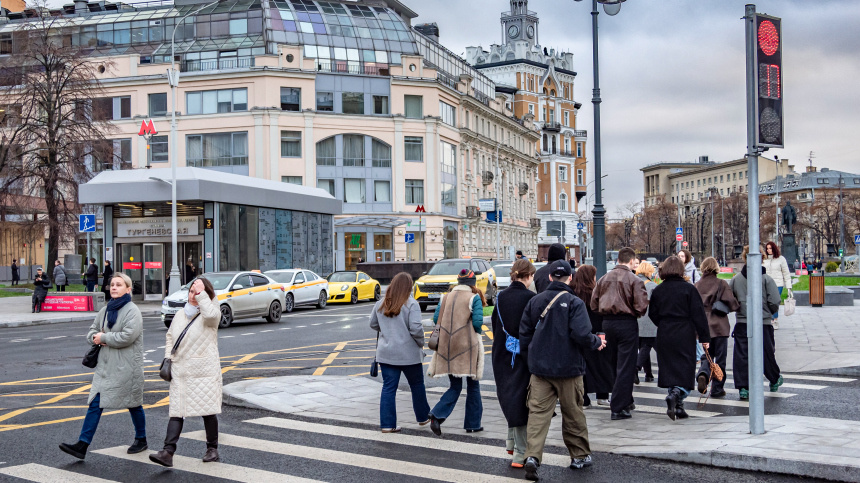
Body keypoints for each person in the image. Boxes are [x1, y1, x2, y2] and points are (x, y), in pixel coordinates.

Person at [520, 260, 606, 479]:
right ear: (570, 278)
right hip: (569, 368)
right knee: (573, 413)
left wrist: (532, 358)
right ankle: (579, 456)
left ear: (549, 277)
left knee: (538, 415)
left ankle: (532, 456)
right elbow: (581, 334)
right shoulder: (575, 302)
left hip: (540, 370)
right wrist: (596, 341)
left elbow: (524, 335)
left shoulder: (535, 301)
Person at [59, 273, 145, 460]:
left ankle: (141, 438)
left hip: (126, 368)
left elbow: (128, 336)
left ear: (128, 289)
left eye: (119, 285)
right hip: (105, 367)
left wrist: (104, 337)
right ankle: (82, 445)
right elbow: (91, 331)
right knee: (95, 403)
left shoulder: (133, 311)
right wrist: (95, 337)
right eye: (112, 284)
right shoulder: (105, 310)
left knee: (133, 403)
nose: (114, 287)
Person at [149, 277, 222, 467]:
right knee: (177, 411)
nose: (192, 295)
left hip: (203, 371)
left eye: (196, 292)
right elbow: (170, 337)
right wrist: (168, 359)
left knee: (208, 411)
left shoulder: (211, 312)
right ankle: (168, 452)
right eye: (191, 291)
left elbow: (212, 317)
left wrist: (202, 295)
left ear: (206, 294)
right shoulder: (181, 314)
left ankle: (212, 449)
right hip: (181, 370)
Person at [648, 256, 711, 420]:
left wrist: (662, 323)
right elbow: (699, 315)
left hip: (665, 331)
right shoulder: (688, 289)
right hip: (684, 331)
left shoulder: (659, 290)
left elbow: (652, 313)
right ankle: (677, 395)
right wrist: (705, 337)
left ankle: (678, 406)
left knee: (670, 368)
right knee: (685, 368)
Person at [590, 247, 649, 420]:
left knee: (613, 363)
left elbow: (594, 304)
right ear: (631, 261)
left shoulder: (603, 279)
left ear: (618, 260)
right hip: (627, 324)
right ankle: (619, 406)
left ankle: (626, 399)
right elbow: (641, 306)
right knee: (626, 365)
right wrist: (635, 312)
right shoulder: (634, 280)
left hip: (607, 323)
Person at [369, 272, 430, 434]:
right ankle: (423, 417)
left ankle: (388, 425)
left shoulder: (381, 303)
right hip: (408, 354)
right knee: (417, 385)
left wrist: (387, 331)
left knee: (389, 388)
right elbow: (416, 329)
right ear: (408, 287)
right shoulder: (411, 304)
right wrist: (421, 343)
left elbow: (372, 324)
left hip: (386, 353)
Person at [427, 269, 485, 435]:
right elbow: (478, 323)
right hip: (467, 346)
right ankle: (473, 424)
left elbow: (435, 317)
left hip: (447, 345)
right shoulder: (474, 298)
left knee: (455, 386)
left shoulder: (446, 297)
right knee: (473, 386)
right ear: (472, 284)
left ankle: (437, 414)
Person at [491, 259, 536, 468]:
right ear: (527, 276)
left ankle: (511, 442)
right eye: (532, 276)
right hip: (522, 355)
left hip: (501, 354)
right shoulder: (531, 298)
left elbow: (495, 323)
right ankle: (519, 453)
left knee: (508, 396)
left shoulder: (500, 297)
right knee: (522, 401)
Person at [730, 246, 783, 400]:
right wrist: (768, 312)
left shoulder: (736, 279)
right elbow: (775, 301)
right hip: (763, 322)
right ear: (762, 258)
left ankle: (743, 387)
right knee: (766, 354)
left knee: (741, 356)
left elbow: (730, 300)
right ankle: (774, 379)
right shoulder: (766, 279)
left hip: (742, 322)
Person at [695, 257, 740, 398]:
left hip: (703, 325)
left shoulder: (696, 285)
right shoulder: (721, 283)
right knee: (720, 358)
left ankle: (703, 372)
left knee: (707, 355)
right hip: (719, 324)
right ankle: (717, 388)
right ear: (716, 268)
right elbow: (732, 302)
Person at [571, 264, 613, 408]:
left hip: (581, 333)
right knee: (601, 365)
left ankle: (584, 397)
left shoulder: (573, 292)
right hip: (598, 332)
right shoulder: (597, 292)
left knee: (584, 367)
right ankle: (603, 395)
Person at [635, 262, 658, 384]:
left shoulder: (633, 283)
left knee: (643, 347)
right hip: (650, 320)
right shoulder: (653, 286)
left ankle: (648, 374)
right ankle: (636, 368)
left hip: (636, 320)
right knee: (647, 346)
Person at [763, 241, 791, 330]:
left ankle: (774, 320)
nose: (768, 250)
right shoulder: (764, 259)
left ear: (774, 249)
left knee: (774, 302)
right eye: (767, 248)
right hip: (767, 284)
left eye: (770, 248)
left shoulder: (781, 259)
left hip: (778, 284)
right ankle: (770, 319)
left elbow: (786, 272)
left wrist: (788, 286)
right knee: (767, 302)